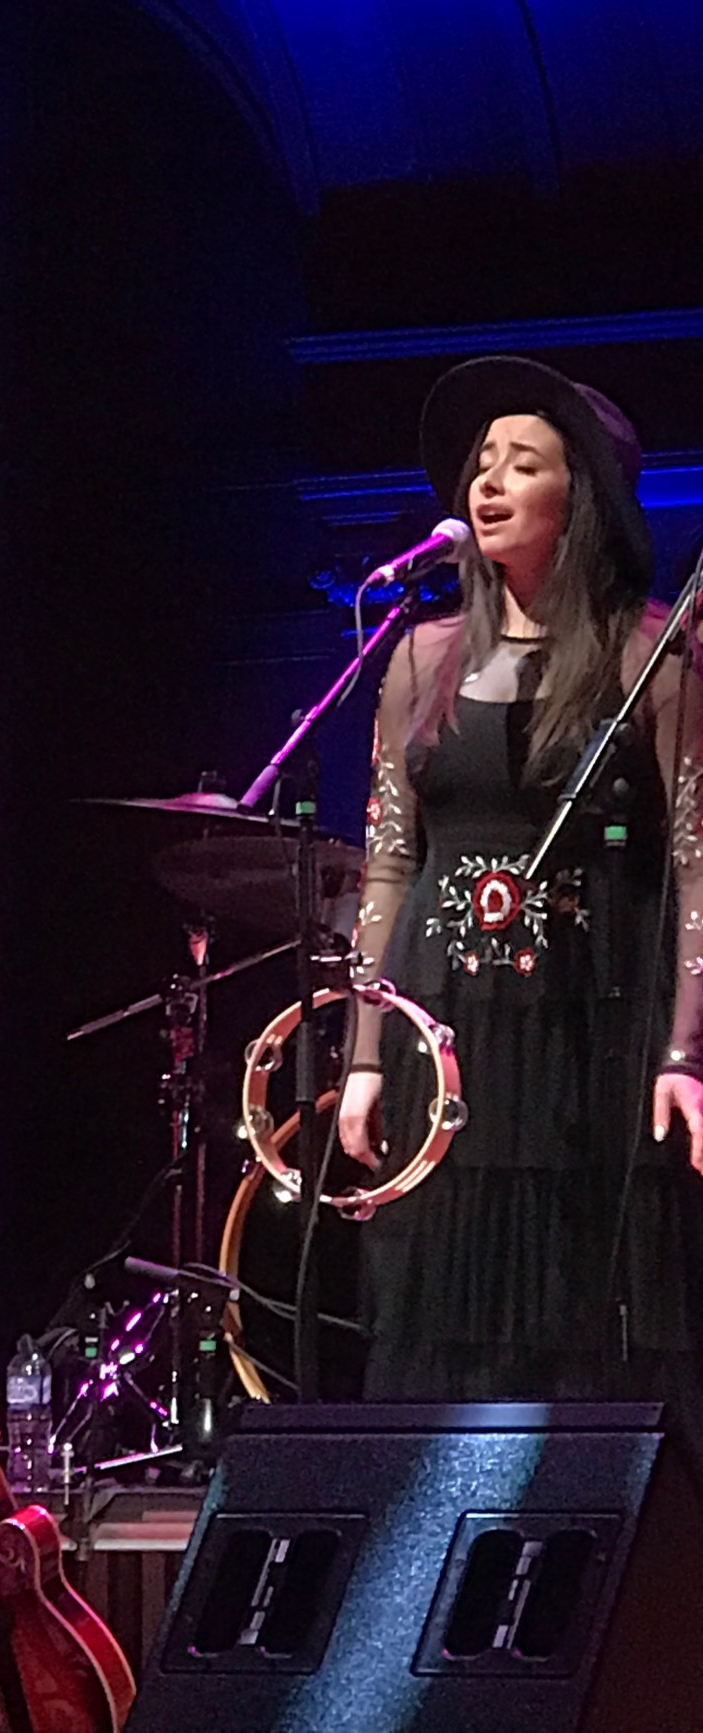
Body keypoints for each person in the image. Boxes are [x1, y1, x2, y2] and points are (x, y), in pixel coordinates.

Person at [337, 356, 703, 1414]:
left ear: (578, 499)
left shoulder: (652, 660)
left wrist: (686, 1051)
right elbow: (390, 858)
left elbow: (695, 858)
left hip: (594, 1026)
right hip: (445, 1026)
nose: (488, 482)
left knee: (584, 1329)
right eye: (482, 462)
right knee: (443, 1329)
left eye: (523, 463)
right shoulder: (420, 658)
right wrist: (367, 1053)